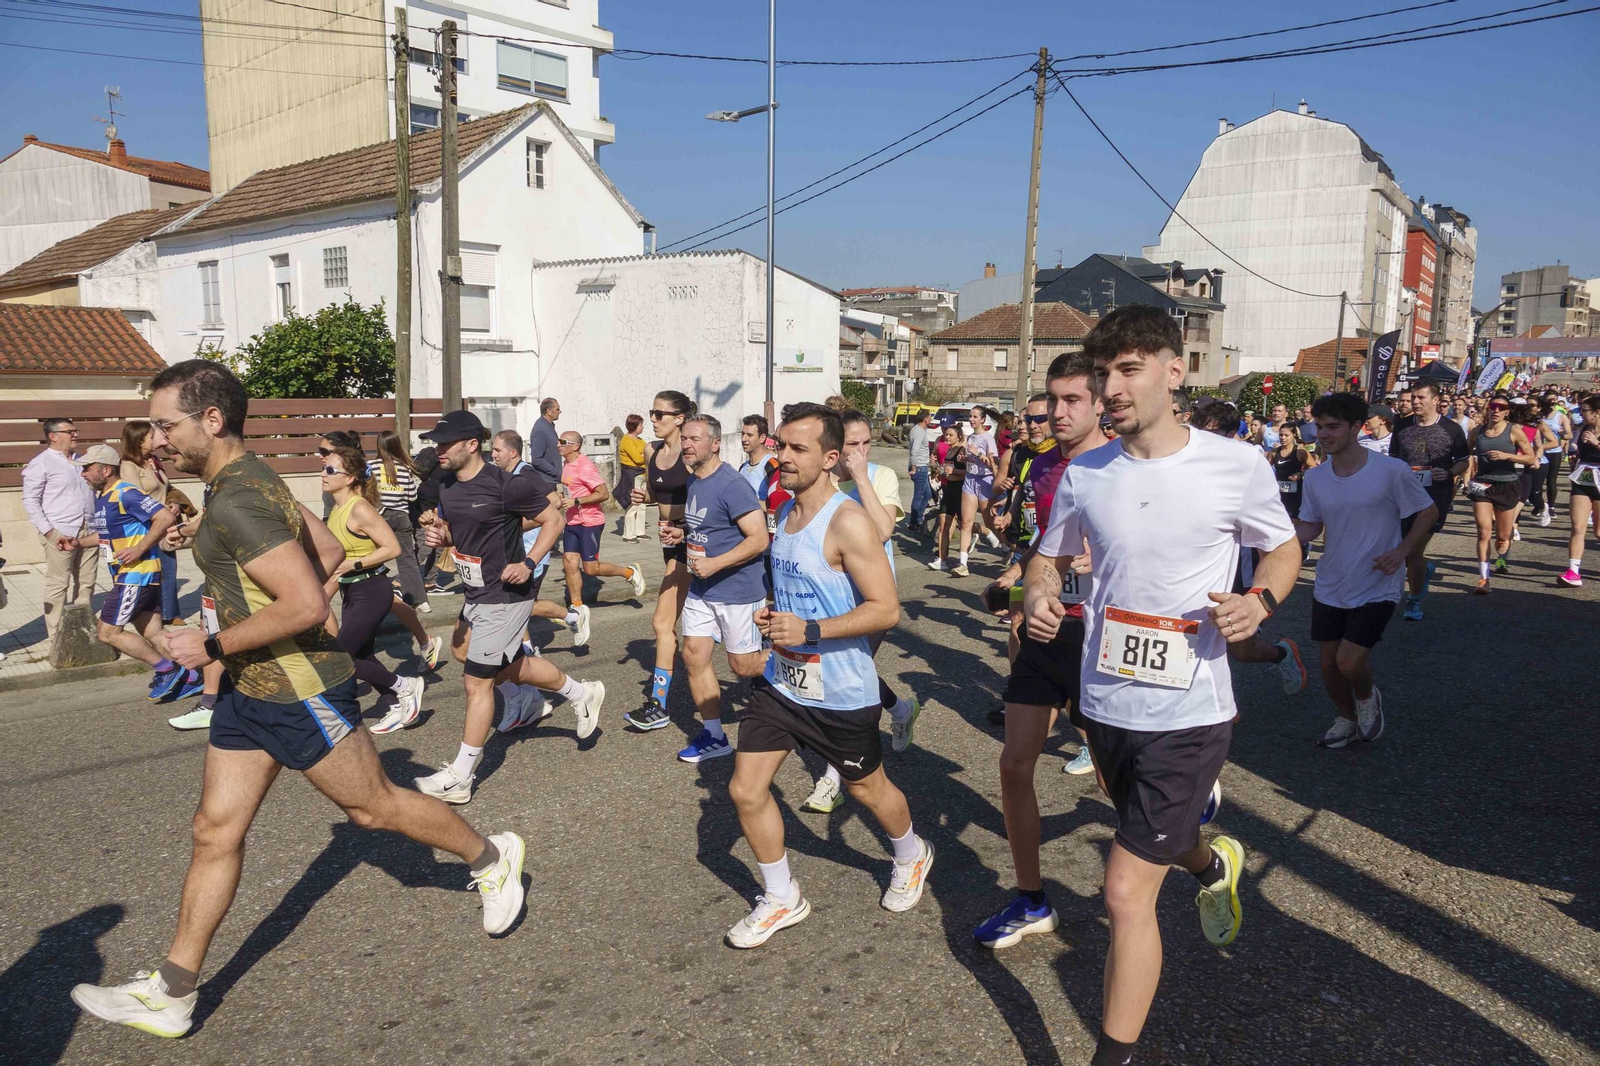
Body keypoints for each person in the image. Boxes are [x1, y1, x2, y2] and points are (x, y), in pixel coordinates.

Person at [71, 361, 528, 1040]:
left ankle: (492, 859)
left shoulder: (238, 498)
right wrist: (229, 570)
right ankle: (172, 990)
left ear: (212, 420)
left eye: (167, 424)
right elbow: (320, 548)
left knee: (373, 810)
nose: (156, 439)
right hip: (252, 692)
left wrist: (216, 644)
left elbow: (309, 598)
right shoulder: (248, 479)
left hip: (299, 690)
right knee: (214, 830)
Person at [1024, 306, 1301, 1066]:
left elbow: (1282, 549)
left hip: (1190, 711)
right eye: (1102, 372)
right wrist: (1038, 595)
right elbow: (1049, 559)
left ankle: (1113, 1056)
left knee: (1122, 892)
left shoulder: (1233, 465)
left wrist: (1260, 602)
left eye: (1129, 369)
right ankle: (1213, 865)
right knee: (1160, 838)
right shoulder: (1086, 473)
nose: (1111, 387)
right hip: (1105, 703)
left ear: (1175, 373)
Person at [725, 403, 932, 948]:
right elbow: (802, 592)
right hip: (783, 682)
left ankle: (911, 853)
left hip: (840, 689)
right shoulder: (785, 513)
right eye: (780, 446)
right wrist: (774, 616)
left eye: (798, 449)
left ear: (830, 457)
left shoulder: (848, 521)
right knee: (746, 789)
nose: (783, 457)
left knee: (868, 790)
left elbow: (886, 608)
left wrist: (810, 630)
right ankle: (781, 897)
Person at [974, 360, 1115, 951]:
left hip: (1103, 635)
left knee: (1115, 780)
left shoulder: (1124, 466)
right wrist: (1022, 578)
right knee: (1013, 764)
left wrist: (1094, 566)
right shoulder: (1040, 463)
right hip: (1046, 628)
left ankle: (1184, 846)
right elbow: (1044, 543)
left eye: (1071, 401)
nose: (1057, 414)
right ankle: (1031, 899)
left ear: (1102, 403)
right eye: (1049, 404)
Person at [416, 410, 606, 804]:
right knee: (467, 654)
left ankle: (462, 775)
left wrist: (530, 562)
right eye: (436, 444)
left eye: (445, 444)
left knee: (476, 682)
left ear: (472, 445)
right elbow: (461, 531)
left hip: (507, 594)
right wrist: (442, 536)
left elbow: (552, 519)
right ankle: (578, 693)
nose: (439, 451)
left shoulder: (507, 485)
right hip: (475, 591)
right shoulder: (448, 484)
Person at [1293, 393, 1436, 749]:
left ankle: (1367, 698)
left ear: (1357, 428)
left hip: (1377, 580)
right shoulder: (1316, 478)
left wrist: (1402, 551)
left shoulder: (1390, 470)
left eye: (1333, 427)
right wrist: (1262, 526)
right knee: (1328, 665)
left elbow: (1427, 512)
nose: (1323, 434)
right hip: (1331, 580)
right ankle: (1346, 717)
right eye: (1319, 426)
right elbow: (1310, 528)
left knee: (1349, 661)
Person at [798, 409, 921, 813]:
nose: (861, 451)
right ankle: (901, 710)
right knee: (849, 673)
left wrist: (863, 475)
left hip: (868, 602)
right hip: (824, 600)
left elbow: (883, 530)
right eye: (853, 444)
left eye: (867, 443)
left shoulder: (880, 477)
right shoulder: (821, 481)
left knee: (840, 680)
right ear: (832, 449)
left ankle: (833, 776)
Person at [672, 414, 771, 763]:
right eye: (684, 438)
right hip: (703, 589)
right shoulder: (694, 481)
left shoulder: (732, 484)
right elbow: (709, 526)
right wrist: (682, 534)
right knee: (693, 654)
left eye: (695, 439)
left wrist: (714, 563)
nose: (686, 444)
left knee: (742, 667)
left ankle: (796, 663)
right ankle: (714, 734)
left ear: (715, 444)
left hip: (737, 590)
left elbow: (758, 539)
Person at [74, 443, 201, 703]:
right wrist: (77, 543)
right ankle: (192, 677)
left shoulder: (126, 493)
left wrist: (139, 549)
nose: (84, 473)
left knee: (108, 633)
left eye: (88, 468)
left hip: (136, 574)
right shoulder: (105, 498)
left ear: (106, 470)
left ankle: (167, 669)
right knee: (153, 633)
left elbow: (164, 517)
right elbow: (106, 536)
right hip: (135, 574)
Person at [320, 446, 427, 734]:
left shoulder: (360, 508)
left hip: (372, 589)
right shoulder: (336, 509)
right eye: (324, 467)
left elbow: (391, 548)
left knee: (343, 657)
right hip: (352, 592)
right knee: (363, 655)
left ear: (351, 477)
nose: (323, 474)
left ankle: (405, 686)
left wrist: (356, 564)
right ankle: (396, 704)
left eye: (331, 470)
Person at [625, 391, 695, 731]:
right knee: (685, 625)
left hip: (695, 542)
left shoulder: (692, 450)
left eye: (660, 413)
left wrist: (679, 520)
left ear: (679, 418)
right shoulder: (652, 450)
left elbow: (706, 497)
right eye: (652, 412)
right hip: (670, 543)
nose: (653, 419)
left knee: (662, 622)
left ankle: (659, 704)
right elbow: (659, 493)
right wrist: (646, 496)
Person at [1390, 382, 1471, 621]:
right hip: (1404, 495)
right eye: (1412, 397)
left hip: (1435, 496)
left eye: (1420, 397)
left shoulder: (1452, 429)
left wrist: (1448, 472)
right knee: (1407, 550)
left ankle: (1413, 601)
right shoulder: (1402, 426)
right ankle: (1423, 572)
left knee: (1413, 549)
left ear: (1435, 400)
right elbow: (1393, 459)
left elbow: (1465, 461)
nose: (1415, 402)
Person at [22, 416, 97, 640]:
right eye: (69, 431)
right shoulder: (41, 463)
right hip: (60, 531)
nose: (75, 434)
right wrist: (49, 532)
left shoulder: (82, 460)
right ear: (53, 437)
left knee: (86, 582)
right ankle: (57, 636)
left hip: (88, 529)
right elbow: (30, 501)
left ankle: (82, 630)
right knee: (58, 585)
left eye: (76, 430)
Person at [557, 430, 646, 609]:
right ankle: (577, 607)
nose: (558, 445)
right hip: (573, 521)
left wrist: (576, 501)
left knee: (591, 569)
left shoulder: (585, 466)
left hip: (590, 522)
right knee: (569, 563)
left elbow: (603, 494)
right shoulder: (567, 463)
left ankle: (629, 572)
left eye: (562, 441)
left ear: (575, 446)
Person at [1466, 398, 1537, 593]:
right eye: (1492, 407)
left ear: (1507, 412)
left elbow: (1530, 458)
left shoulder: (1514, 431)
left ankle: (1503, 540)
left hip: (1507, 484)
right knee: (1483, 531)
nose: (1496, 411)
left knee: (1503, 537)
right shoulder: (1477, 432)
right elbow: (1464, 453)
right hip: (1483, 484)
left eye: (1501, 408)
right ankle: (1483, 579)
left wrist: (1508, 456)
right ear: (1487, 410)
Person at [120, 420, 185, 627]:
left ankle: (170, 613)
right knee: (152, 571)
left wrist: (173, 503)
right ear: (139, 441)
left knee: (169, 568)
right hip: (147, 525)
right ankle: (147, 613)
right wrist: (161, 511)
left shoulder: (154, 461)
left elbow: (167, 489)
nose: (155, 439)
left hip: (165, 523)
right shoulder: (128, 466)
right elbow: (135, 499)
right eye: (150, 436)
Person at [368, 429, 431, 612]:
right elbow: (412, 497)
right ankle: (421, 601)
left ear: (379, 445)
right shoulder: (404, 468)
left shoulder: (371, 466)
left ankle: (374, 599)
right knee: (407, 559)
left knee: (372, 558)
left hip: (378, 518)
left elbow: (366, 491)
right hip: (401, 517)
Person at [955, 405, 1002, 576]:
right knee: (966, 522)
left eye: (975, 417)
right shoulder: (970, 438)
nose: (971, 420)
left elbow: (993, 464)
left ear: (982, 419)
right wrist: (965, 457)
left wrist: (978, 454)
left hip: (985, 480)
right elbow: (970, 459)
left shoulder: (987, 439)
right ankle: (963, 564)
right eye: (970, 416)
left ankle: (1006, 546)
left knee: (990, 520)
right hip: (969, 479)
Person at [1559, 395, 1600, 587]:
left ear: (1597, 412)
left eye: (1584, 411)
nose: (1580, 414)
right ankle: (1573, 571)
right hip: (1583, 478)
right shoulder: (1583, 429)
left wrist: (1596, 443)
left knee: (1599, 532)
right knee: (1577, 527)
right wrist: (1576, 460)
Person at [928, 423, 966, 573]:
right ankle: (942, 559)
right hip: (948, 489)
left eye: (950, 435)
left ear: (959, 437)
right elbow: (947, 470)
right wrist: (938, 470)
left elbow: (968, 472)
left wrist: (954, 470)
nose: (947, 437)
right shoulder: (949, 450)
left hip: (961, 490)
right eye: (946, 434)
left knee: (965, 525)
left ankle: (985, 533)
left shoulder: (963, 452)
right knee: (943, 523)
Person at [1539, 395, 1572, 527]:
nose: (1551, 402)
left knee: (1551, 480)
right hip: (1540, 451)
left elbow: (1569, 434)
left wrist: (1561, 432)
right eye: (1549, 400)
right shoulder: (1539, 416)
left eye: (1553, 400)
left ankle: (1551, 506)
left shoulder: (1561, 416)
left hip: (1554, 452)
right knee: (1538, 480)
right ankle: (1540, 505)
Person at [1269, 423, 1315, 519]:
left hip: (1296, 493)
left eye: (1286, 435)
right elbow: (1265, 469)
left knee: (1295, 521)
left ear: (1293, 435)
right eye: (1281, 435)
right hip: (1279, 493)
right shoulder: (1274, 452)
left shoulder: (1300, 451)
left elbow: (1314, 468)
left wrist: (1301, 474)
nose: (1283, 438)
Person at [616, 413, 649, 541]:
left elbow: (647, 452)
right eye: (641, 425)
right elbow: (637, 458)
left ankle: (640, 531)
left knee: (642, 504)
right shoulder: (627, 440)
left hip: (643, 474)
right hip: (633, 475)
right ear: (635, 426)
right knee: (633, 504)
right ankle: (628, 534)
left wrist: (644, 454)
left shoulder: (640, 440)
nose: (643, 427)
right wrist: (644, 454)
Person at [905, 408, 934, 535]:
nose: (931, 419)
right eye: (930, 417)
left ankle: (919, 517)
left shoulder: (917, 430)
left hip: (923, 466)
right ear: (925, 419)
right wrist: (914, 468)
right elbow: (915, 451)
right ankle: (914, 522)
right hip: (919, 468)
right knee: (919, 495)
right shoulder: (919, 433)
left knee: (927, 494)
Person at [526, 396, 562, 482]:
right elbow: (537, 460)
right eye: (557, 409)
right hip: (546, 482)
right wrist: (556, 472)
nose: (560, 412)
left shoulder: (548, 426)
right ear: (549, 411)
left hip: (552, 480)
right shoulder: (541, 429)